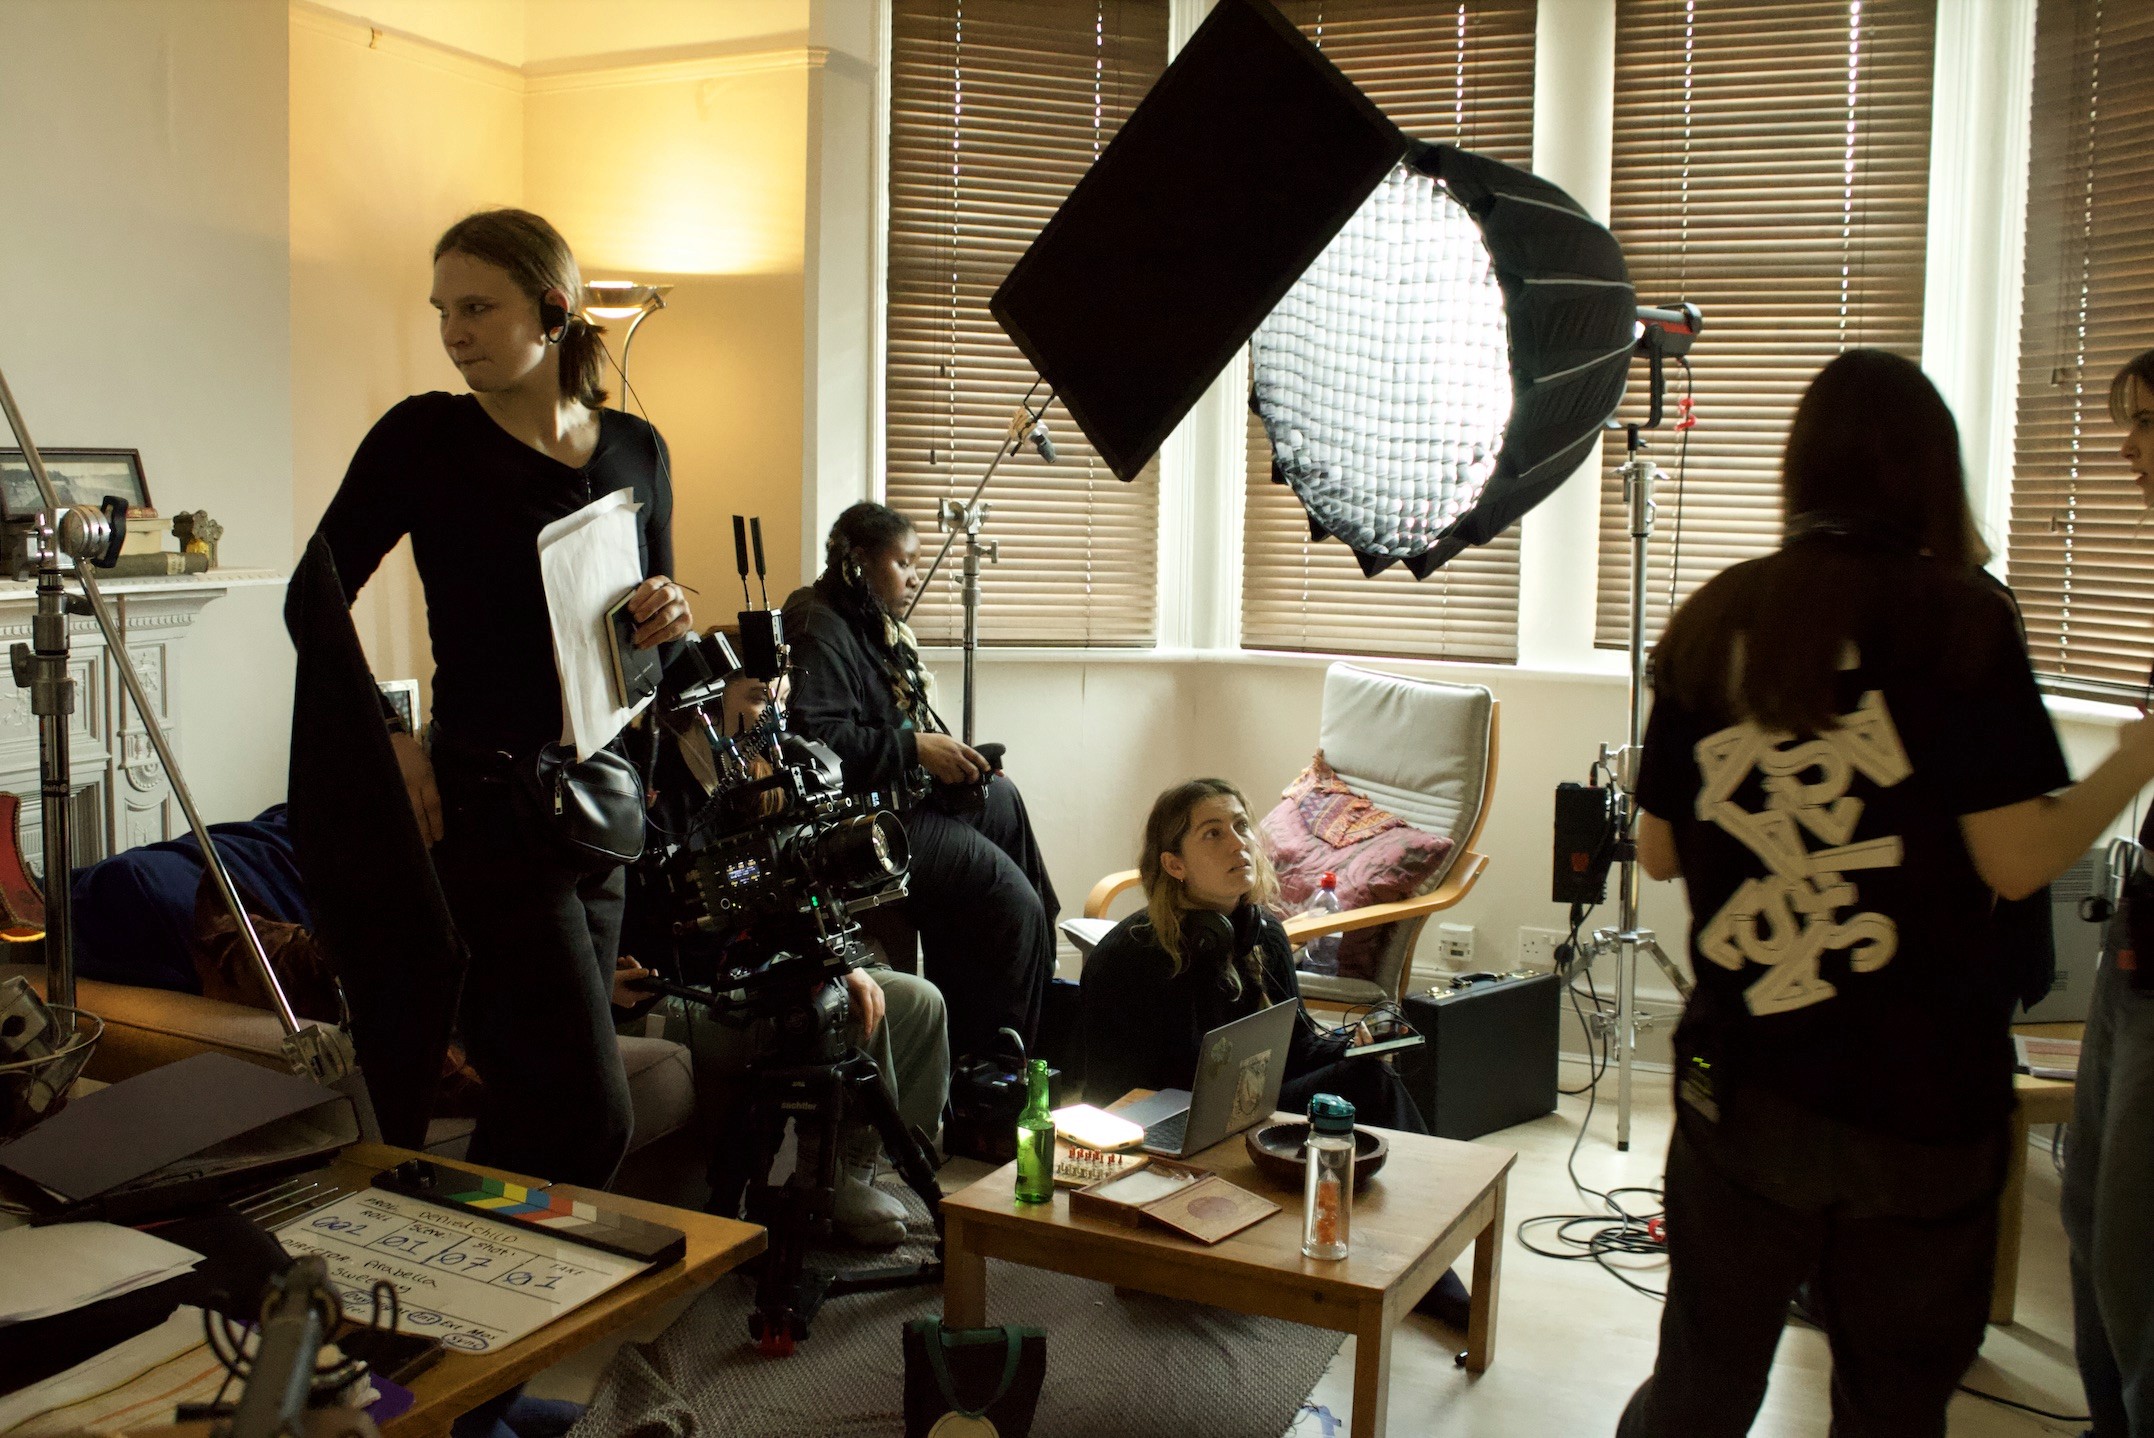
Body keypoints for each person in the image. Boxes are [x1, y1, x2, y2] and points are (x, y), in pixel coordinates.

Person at [1619, 349, 2154, 1438]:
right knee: (1891, 1410)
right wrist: (2138, 759)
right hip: (1921, 1102)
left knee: (1700, 1387)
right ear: (1929, 475)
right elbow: (2015, 861)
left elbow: (1661, 853)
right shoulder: (1964, 622)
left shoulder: (1718, 616)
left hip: (1741, 1082)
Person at [306, 208, 693, 1190]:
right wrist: (392, 735)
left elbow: (654, 640)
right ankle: (491, 1305)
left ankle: (477, 1304)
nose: (453, 332)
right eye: (444, 310)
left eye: (477, 307)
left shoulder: (639, 450)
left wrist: (669, 611)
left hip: (602, 815)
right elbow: (314, 593)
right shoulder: (424, 440)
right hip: (485, 815)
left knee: (534, 1115)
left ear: (554, 309)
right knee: (589, 1119)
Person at [661, 668, 951, 1248]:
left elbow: (792, 893)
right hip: (690, 989)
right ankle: (835, 1180)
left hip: (769, 967)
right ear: (705, 708)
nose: (776, 713)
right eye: (760, 697)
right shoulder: (667, 791)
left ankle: (855, 1166)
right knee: (840, 1004)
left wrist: (842, 958)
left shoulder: (775, 777)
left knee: (919, 1001)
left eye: (785, 698)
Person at [782, 501, 1059, 1058]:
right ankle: (992, 1067)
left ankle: (1034, 1034)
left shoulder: (867, 625)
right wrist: (915, 748)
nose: (914, 577)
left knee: (1003, 801)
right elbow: (818, 741)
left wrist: (955, 759)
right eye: (903, 563)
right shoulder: (816, 621)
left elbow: (891, 728)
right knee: (1014, 904)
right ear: (858, 563)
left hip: (903, 796)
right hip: (862, 822)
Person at [1078, 778, 1424, 1130]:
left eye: (1241, 826)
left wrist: (1353, 1043)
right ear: (1174, 864)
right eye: (1213, 833)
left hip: (1250, 1105)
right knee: (1370, 1083)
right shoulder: (1128, 957)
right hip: (1170, 1125)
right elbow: (1113, 1095)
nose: (1238, 843)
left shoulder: (1262, 932)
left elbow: (1297, 1046)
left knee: (1370, 1071)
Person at [2064, 346, 2154, 1438]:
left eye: (2145, 422)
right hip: (2139, 938)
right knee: (2089, 1198)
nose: (2126, 447)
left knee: (2132, 1239)